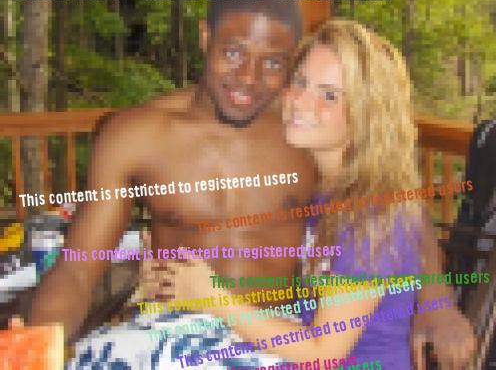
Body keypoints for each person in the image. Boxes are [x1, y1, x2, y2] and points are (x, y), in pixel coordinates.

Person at [23, 0, 473, 369]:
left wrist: (436, 301)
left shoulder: (306, 132)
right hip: (178, 329)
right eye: (234, 52)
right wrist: (38, 347)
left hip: (282, 339)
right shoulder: (137, 136)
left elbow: (394, 202)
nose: (248, 79)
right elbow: (77, 269)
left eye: (274, 63)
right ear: (205, 38)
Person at [149, 19, 476, 369]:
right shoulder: (327, 189)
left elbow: (324, 352)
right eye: (300, 82)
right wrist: (180, 281)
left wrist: (214, 298)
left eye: (330, 95)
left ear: (367, 115)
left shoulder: (371, 214)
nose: (302, 102)